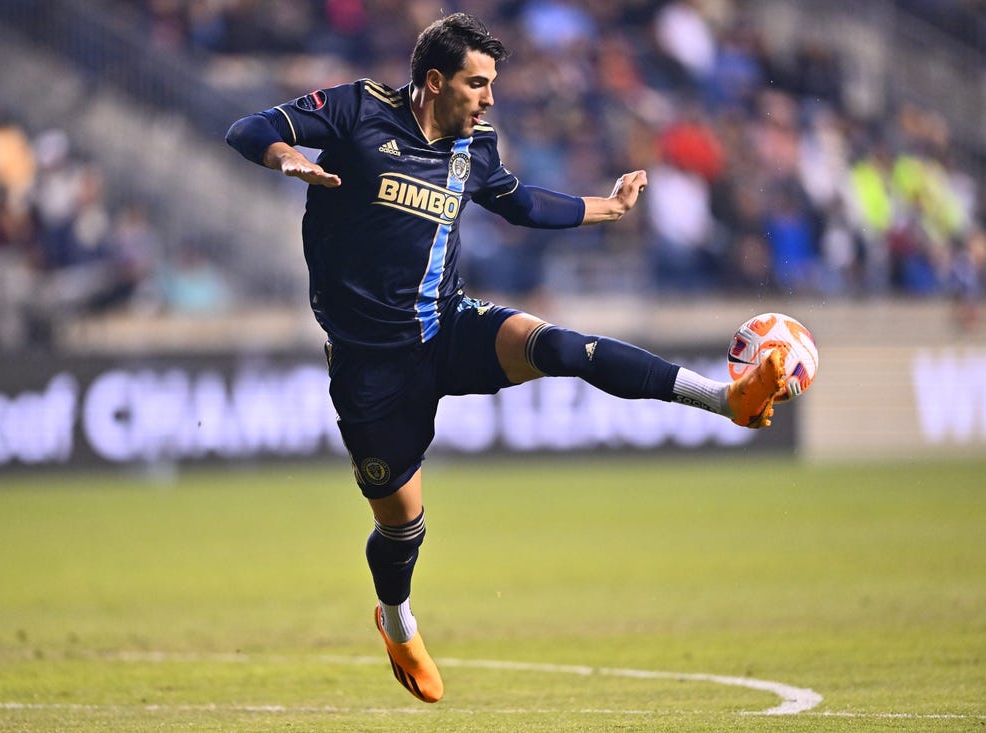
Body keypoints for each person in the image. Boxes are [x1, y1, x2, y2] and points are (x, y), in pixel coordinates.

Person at [226, 12, 785, 704]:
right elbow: (247, 128)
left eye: (492, 84)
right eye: (477, 83)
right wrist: (286, 157)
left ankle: (726, 398)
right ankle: (397, 619)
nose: (489, 98)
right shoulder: (356, 110)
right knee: (400, 527)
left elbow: (520, 203)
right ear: (434, 82)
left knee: (562, 346)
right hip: (372, 367)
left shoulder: (474, 147)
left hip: (447, 328)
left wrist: (607, 208)